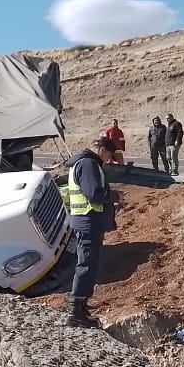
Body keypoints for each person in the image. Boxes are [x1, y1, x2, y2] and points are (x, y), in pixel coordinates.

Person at [64, 138, 118, 328]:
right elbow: (94, 193)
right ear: (102, 150)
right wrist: (114, 196)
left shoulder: (80, 162)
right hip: (89, 221)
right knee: (86, 265)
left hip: (85, 221)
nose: (108, 160)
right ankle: (76, 312)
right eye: (109, 155)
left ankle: (81, 307)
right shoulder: (88, 164)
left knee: (87, 264)